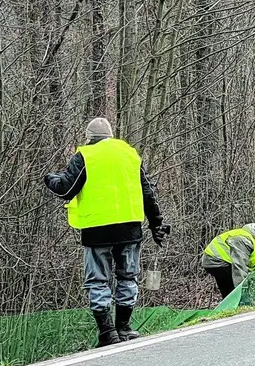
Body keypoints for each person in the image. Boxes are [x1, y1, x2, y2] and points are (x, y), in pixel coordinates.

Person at [44, 117, 169, 347]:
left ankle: (107, 332)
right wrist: (156, 224)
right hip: (130, 228)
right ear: (111, 136)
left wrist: (50, 178)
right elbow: (148, 191)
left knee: (98, 281)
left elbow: (66, 189)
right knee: (127, 277)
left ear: (89, 139)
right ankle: (124, 327)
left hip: (97, 230)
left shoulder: (86, 156)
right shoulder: (129, 154)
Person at [201, 219, 255, 298]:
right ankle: (237, 307)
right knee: (231, 288)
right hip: (215, 259)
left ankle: (233, 307)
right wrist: (244, 296)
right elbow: (240, 269)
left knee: (232, 290)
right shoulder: (244, 240)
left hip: (226, 259)